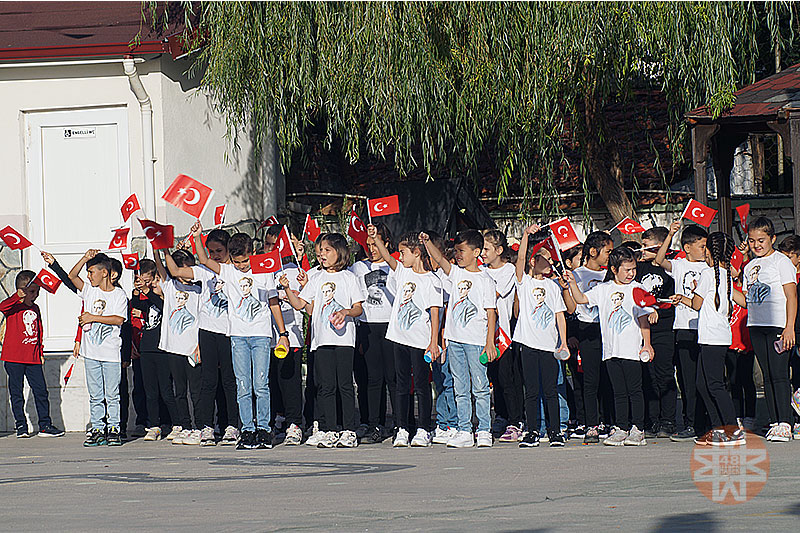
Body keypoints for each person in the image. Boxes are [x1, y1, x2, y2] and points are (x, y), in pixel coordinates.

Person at [193, 223, 290, 450]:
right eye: (236, 262)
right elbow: (205, 260)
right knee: (243, 385)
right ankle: (247, 430)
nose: (241, 266)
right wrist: (198, 236)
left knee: (261, 385)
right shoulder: (228, 271)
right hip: (238, 336)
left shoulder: (264, 271)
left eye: (244, 262)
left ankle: (264, 429)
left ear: (252, 254)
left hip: (260, 335)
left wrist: (282, 334)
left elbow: (273, 303)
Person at [282, 232, 366, 448]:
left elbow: (358, 308)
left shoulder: (349, 278)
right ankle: (329, 429)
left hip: (344, 341)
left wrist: (345, 312)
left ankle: (348, 429)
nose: (322, 255)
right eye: (320, 252)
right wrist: (286, 289)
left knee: (345, 385)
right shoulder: (317, 277)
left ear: (340, 252)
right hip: (321, 341)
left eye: (327, 250)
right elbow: (300, 304)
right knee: (325, 386)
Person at [566, 246, 655, 447]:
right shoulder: (604, 289)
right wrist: (572, 283)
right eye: (627, 270)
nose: (631, 274)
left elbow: (643, 319)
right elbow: (581, 299)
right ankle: (621, 427)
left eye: (633, 269)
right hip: (610, 350)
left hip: (632, 349)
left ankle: (638, 429)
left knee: (635, 390)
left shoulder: (637, 288)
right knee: (618, 391)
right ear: (614, 269)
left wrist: (647, 344)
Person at [421, 229, 498, 448]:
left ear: (477, 252)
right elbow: (439, 258)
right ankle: (465, 429)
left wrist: (489, 342)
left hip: (476, 341)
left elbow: (491, 313)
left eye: (462, 251)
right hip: (454, 340)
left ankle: (484, 429)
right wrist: (427, 242)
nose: (458, 255)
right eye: (456, 251)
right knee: (460, 386)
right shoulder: (455, 273)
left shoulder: (485, 280)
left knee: (480, 386)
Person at [368, 225, 443, 448]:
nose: (399, 257)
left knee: (421, 385)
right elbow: (388, 259)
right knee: (401, 385)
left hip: (420, 340)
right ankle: (402, 428)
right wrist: (375, 238)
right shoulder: (403, 272)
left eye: (403, 253)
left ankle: (423, 428)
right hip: (399, 337)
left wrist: (433, 342)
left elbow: (435, 313)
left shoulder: (432, 280)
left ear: (417, 252)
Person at [167, 229, 239, 446]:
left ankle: (231, 425)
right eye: (212, 251)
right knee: (208, 381)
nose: (215, 255)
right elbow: (175, 270)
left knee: (229, 380)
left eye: (220, 251)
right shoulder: (204, 271)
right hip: (207, 332)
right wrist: (162, 247)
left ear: (228, 250)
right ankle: (206, 426)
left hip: (229, 332)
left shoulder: (233, 271)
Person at [676, 232, 746, 446]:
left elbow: (697, 304)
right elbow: (742, 300)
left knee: (714, 385)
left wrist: (682, 298)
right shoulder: (725, 274)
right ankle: (718, 428)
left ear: (710, 251)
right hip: (715, 335)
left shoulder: (709, 274)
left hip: (713, 337)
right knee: (702, 383)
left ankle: (733, 430)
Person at [514, 226, 569, 447]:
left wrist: (563, 341)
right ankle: (532, 431)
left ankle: (555, 431)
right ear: (533, 261)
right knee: (532, 390)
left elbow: (560, 316)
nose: (551, 263)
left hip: (549, 346)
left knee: (551, 390)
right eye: (545, 258)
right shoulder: (524, 283)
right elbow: (519, 258)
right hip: (529, 344)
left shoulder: (553, 287)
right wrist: (526, 235)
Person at [743, 217, 797, 442]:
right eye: (753, 240)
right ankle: (775, 421)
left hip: (778, 325)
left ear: (772, 239)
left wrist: (789, 327)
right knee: (766, 376)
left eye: (762, 240)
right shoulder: (749, 266)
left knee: (779, 374)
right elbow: (747, 299)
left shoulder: (781, 261)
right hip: (757, 326)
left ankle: (786, 422)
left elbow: (791, 295)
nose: (757, 245)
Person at [655, 221, 709, 442]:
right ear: (687, 247)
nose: (704, 250)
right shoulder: (679, 265)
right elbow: (659, 260)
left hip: (706, 329)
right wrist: (671, 234)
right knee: (687, 380)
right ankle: (690, 423)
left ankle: (708, 422)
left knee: (705, 380)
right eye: (701, 246)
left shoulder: (709, 266)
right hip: (685, 329)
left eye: (706, 246)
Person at [68, 250, 128, 446]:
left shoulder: (119, 295)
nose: (88, 275)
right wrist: (85, 258)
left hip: (111, 354)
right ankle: (97, 428)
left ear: (104, 272)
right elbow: (72, 276)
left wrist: (93, 317)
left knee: (112, 394)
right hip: (91, 353)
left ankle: (113, 428)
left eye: (92, 271)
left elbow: (119, 319)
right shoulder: (90, 290)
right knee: (95, 394)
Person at [1, 270, 64, 438]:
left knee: (41, 391)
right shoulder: (13, 306)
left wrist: (40, 352)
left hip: (33, 358)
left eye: (37, 291)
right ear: (22, 290)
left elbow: (39, 331)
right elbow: (2, 306)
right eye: (32, 291)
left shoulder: (35, 308)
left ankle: (45, 425)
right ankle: (21, 426)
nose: (36, 295)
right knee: (17, 392)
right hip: (13, 358)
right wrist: (17, 297)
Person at [350, 222, 396, 443]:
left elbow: (392, 262)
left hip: (390, 325)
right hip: (367, 326)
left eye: (376, 244)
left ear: (386, 243)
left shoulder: (394, 265)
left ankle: (399, 423)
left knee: (394, 377)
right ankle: (373, 423)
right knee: (372, 378)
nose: (371, 248)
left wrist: (376, 236)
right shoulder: (357, 268)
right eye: (368, 244)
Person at [154, 248, 203, 445]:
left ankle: (200, 426)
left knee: (196, 391)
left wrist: (200, 345)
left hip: (193, 348)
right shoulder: (169, 285)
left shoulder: (199, 289)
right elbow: (161, 266)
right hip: (174, 348)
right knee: (179, 391)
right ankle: (185, 425)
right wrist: (160, 249)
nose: (186, 273)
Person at [569, 231, 614, 444]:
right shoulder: (577, 274)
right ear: (593, 251)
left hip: (608, 329)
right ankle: (591, 424)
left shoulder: (610, 274)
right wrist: (567, 287)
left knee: (610, 377)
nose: (610, 256)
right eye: (608, 251)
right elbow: (571, 308)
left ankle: (611, 421)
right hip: (587, 329)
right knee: (590, 380)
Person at [130, 259, 181, 442]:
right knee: (149, 391)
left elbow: (161, 306)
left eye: (154, 281)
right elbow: (137, 304)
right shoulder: (148, 299)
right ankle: (153, 425)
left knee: (166, 391)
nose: (151, 285)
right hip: (147, 349)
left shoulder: (166, 301)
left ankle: (177, 424)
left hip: (162, 350)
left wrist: (148, 291)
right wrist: (137, 291)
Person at [482, 230, 523, 442]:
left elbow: (493, 294)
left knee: (508, 378)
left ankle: (516, 420)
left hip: (503, 333)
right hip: (484, 332)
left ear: (499, 250)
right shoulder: (481, 270)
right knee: (494, 377)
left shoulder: (508, 270)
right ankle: (501, 415)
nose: (483, 253)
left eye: (487, 249)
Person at [638, 227, 678, 438]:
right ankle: (650, 420)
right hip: (644, 329)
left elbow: (674, 298)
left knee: (664, 374)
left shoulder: (671, 269)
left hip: (664, 328)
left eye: (647, 246)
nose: (642, 250)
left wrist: (657, 307)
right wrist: (647, 309)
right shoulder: (638, 268)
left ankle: (668, 420)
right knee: (648, 376)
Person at [270, 253, 305, 445]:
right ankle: (277, 420)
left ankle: (295, 423)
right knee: (271, 383)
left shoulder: (297, 270)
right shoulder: (264, 269)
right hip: (266, 336)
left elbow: (305, 300)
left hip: (291, 337)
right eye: (268, 245)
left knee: (290, 383)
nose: (273, 249)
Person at [428, 233, 459, 445]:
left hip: (446, 336)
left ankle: (454, 423)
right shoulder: (423, 277)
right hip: (431, 338)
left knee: (450, 381)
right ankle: (442, 421)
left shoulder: (447, 277)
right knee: (438, 382)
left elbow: (447, 311)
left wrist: (444, 339)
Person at [777, 234, 800, 440]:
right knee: (794, 377)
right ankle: (795, 419)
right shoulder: (783, 274)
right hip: (787, 331)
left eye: (789, 257)